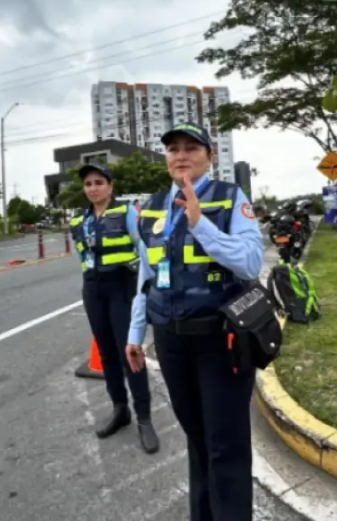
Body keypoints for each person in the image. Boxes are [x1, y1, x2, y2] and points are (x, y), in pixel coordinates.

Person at [125, 123, 264, 521]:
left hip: (220, 341)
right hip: (171, 342)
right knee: (198, 440)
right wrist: (136, 332)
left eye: (191, 148)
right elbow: (146, 276)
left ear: (210, 156)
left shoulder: (229, 198)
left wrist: (201, 224)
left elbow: (251, 261)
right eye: (172, 149)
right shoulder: (150, 207)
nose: (181, 155)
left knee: (226, 444)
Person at [70, 163, 159, 454]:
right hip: (93, 289)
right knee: (107, 353)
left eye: (98, 182)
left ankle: (144, 417)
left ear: (110, 186)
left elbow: (143, 249)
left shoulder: (127, 213)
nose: (93, 188)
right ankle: (120, 410)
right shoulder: (80, 220)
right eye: (88, 184)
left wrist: (147, 285)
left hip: (123, 288)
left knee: (129, 352)